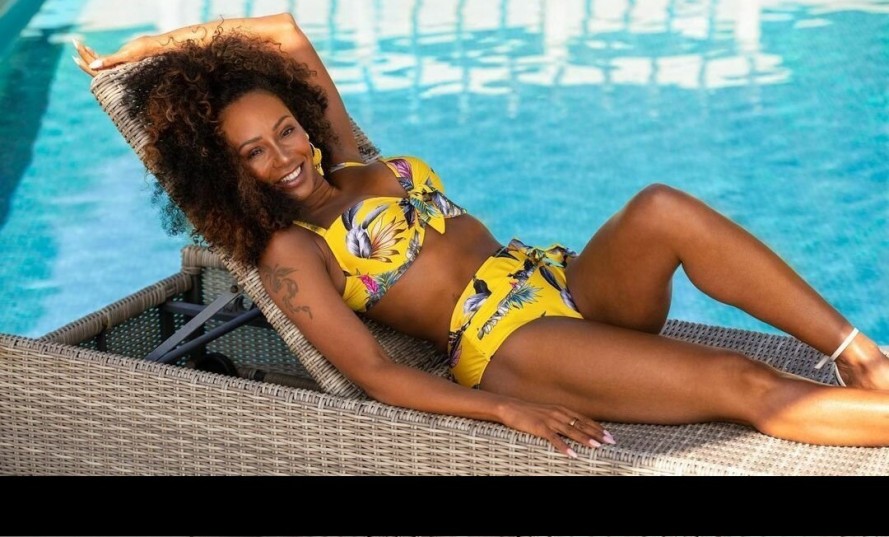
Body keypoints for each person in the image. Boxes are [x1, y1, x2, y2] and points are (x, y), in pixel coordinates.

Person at [74, 12, 889, 459]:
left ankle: (857, 353)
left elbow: (284, 32)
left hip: (557, 281)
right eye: (253, 152)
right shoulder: (294, 248)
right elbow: (373, 373)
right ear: (227, 173)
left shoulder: (352, 159)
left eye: (284, 129)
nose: (285, 156)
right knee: (744, 382)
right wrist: (502, 409)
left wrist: (152, 50)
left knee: (659, 207)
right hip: (512, 341)